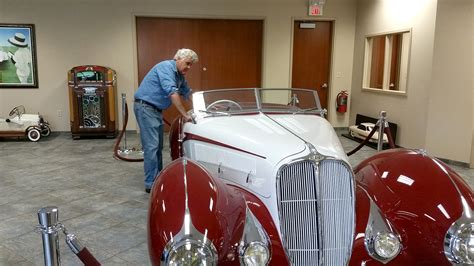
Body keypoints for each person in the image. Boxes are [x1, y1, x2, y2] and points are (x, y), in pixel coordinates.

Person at [134, 48, 198, 193]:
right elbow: (172, 93)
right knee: (152, 146)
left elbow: (187, 92)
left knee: (158, 146)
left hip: (155, 110)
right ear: (178, 59)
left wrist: (203, 108)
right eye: (187, 63)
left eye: (191, 65)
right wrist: (184, 114)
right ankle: (151, 183)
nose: (188, 68)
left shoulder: (179, 76)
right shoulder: (165, 68)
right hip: (145, 107)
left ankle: (159, 178)